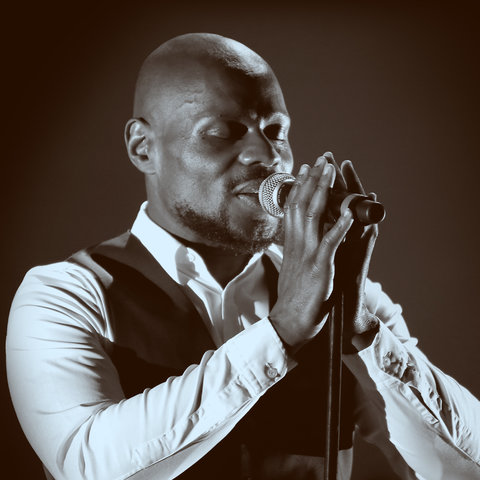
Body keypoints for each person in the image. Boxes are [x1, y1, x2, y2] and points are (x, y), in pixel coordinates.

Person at [6, 33, 480, 480]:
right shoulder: (64, 295)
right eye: (223, 132)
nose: (265, 154)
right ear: (143, 148)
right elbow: (86, 465)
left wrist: (360, 331)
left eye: (275, 130)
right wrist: (282, 330)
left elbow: (465, 468)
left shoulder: (344, 294)